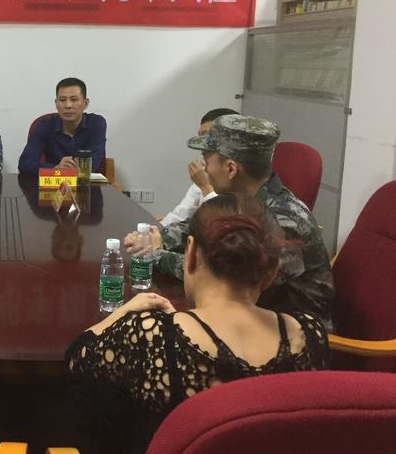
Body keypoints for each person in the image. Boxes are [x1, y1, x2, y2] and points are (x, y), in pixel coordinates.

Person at [67, 194, 329, 454]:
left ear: (190, 252)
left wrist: (124, 312)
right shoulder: (310, 336)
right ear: (270, 272)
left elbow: (77, 363)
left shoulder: (152, 336)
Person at [126, 114, 334, 330]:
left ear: (231, 169)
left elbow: (225, 279)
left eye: (207, 161)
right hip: (251, 318)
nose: (204, 169)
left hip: (294, 334)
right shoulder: (241, 199)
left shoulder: (283, 220)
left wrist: (157, 255)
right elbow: (200, 226)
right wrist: (155, 239)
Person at [158, 108, 237, 226]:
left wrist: (205, 186)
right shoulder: (206, 174)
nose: (202, 149)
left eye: (207, 137)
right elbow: (181, 214)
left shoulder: (245, 182)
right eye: (200, 137)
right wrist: (159, 229)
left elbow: (226, 227)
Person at [18, 77, 107, 174]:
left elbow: (92, 165)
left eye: (74, 99)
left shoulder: (96, 123)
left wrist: (68, 169)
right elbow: (25, 164)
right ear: (56, 104)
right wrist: (56, 169)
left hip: (85, 182)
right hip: (54, 181)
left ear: (85, 103)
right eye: (62, 100)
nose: (68, 105)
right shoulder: (44, 125)